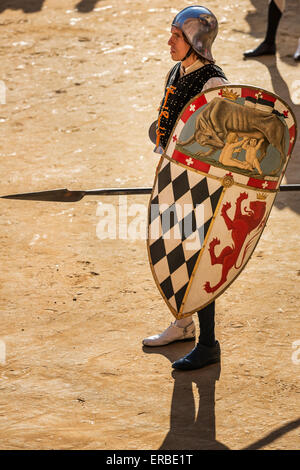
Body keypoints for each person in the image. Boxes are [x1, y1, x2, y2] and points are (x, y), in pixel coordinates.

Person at [143, 6, 229, 371]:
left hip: (201, 186)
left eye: (176, 37)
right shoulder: (178, 70)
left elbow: (220, 142)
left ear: (195, 41)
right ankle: (182, 325)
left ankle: (208, 344)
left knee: (200, 261)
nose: (169, 42)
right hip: (174, 178)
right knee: (176, 253)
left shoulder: (213, 83)